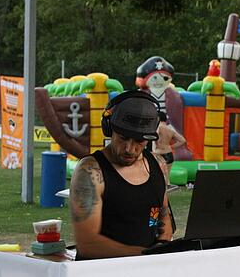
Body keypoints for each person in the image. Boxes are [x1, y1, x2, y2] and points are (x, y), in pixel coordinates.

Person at [70, 90, 173, 260]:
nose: (129, 148)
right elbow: (88, 244)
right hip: (100, 275)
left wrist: (162, 245)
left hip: (146, 270)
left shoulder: (158, 165)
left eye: (139, 141)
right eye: (123, 138)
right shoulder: (90, 171)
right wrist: (146, 255)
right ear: (109, 129)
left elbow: (162, 215)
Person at [135, 56, 188, 164]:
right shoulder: (143, 94)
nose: (159, 81)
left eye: (164, 78)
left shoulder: (172, 94)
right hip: (149, 122)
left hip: (167, 122)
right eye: (154, 78)